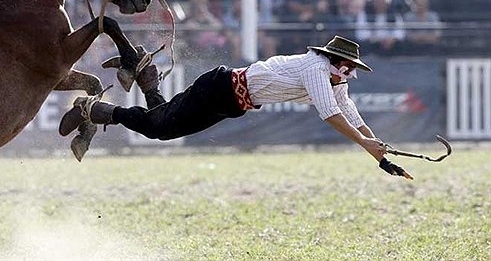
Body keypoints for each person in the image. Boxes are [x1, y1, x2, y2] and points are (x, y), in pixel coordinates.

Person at [60, 36, 413, 180]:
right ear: (332, 60)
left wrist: (380, 155)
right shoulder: (316, 68)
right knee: (160, 128)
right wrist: (367, 145)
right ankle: (96, 109)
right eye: (346, 67)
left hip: (232, 100)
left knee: (161, 124)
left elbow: (351, 114)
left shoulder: (336, 80)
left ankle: (146, 77)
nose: (349, 74)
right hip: (222, 89)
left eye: (353, 70)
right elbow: (331, 115)